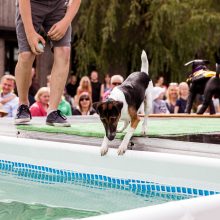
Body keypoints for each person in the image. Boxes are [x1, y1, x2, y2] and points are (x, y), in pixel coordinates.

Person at [14, 0, 81, 126]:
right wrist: (30, 33)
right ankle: (23, 105)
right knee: (27, 54)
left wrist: (66, 22)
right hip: (31, 5)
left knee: (64, 51)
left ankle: (53, 111)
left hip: (59, 5)